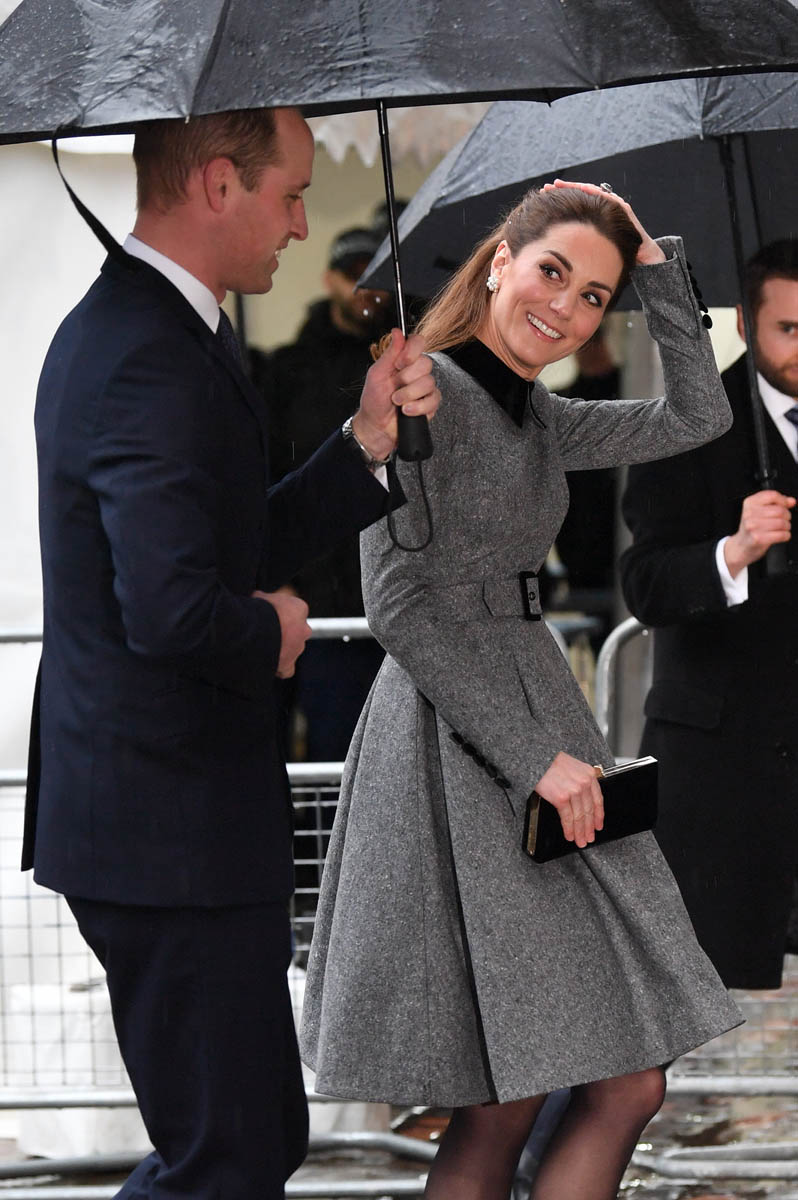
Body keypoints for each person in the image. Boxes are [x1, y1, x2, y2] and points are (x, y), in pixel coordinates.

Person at [23, 105, 440, 1200]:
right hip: (164, 828)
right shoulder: (143, 351)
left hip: (176, 819)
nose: (302, 225)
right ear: (218, 184)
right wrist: (277, 628)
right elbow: (169, 611)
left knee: (244, 1148)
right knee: (231, 1157)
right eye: (290, 194)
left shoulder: (167, 331)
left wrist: (366, 441)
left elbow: (233, 539)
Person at [300, 180, 741, 1200]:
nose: (567, 307)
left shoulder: (541, 416)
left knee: (625, 1077)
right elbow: (396, 605)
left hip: (538, 707)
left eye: (593, 296)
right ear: (499, 262)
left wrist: (656, 268)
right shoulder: (424, 390)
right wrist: (533, 757)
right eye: (552, 272)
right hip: (456, 737)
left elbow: (698, 412)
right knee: (505, 1096)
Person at [620, 238, 798, 991]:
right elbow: (644, 585)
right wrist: (734, 551)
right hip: (723, 767)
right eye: (789, 329)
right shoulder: (688, 425)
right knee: (696, 992)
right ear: (746, 325)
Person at [250, 225, 394, 760]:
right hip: (320, 601)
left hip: (399, 597)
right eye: (355, 273)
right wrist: (274, 576)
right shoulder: (289, 371)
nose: (366, 287)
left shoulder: (412, 363)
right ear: (330, 279)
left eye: (376, 274)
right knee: (335, 753)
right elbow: (262, 471)